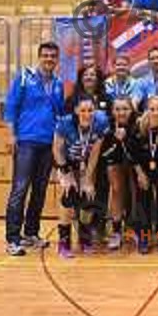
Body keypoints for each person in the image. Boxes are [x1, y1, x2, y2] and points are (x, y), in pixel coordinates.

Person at [3, 42, 65, 255]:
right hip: (26, 142)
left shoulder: (58, 83)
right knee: (20, 190)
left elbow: (59, 114)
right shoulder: (24, 77)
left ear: (57, 60)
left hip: (48, 144)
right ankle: (12, 238)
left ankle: (30, 233)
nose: (49, 59)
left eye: (53, 56)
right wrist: (11, 135)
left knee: (39, 191)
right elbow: (11, 107)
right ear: (39, 57)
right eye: (46, 55)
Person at [52, 96, 108, 257]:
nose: (87, 114)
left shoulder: (100, 123)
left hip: (85, 165)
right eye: (83, 110)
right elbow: (57, 149)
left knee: (87, 197)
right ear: (76, 110)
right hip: (65, 163)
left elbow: (94, 154)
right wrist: (66, 173)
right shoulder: (65, 123)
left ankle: (84, 238)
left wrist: (88, 179)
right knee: (69, 196)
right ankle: (64, 242)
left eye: (90, 110)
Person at [127, 95, 158, 254]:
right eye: (152, 109)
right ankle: (144, 237)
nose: (156, 112)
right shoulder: (139, 127)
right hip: (143, 168)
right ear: (147, 110)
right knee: (143, 200)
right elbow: (131, 153)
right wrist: (140, 173)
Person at [99, 96, 136, 250]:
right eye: (117, 109)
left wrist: (126, 140)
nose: (121, 112)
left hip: (135, 161)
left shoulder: (137, 125)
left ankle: (135, 227)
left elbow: (137, 153)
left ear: (131, 111)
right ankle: (116, 231)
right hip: (113, 160)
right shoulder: (107, 127)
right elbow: (104, 153)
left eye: (125, 109)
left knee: (136, 189)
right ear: (112, 111)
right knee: (116, 189)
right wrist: (115, 140)